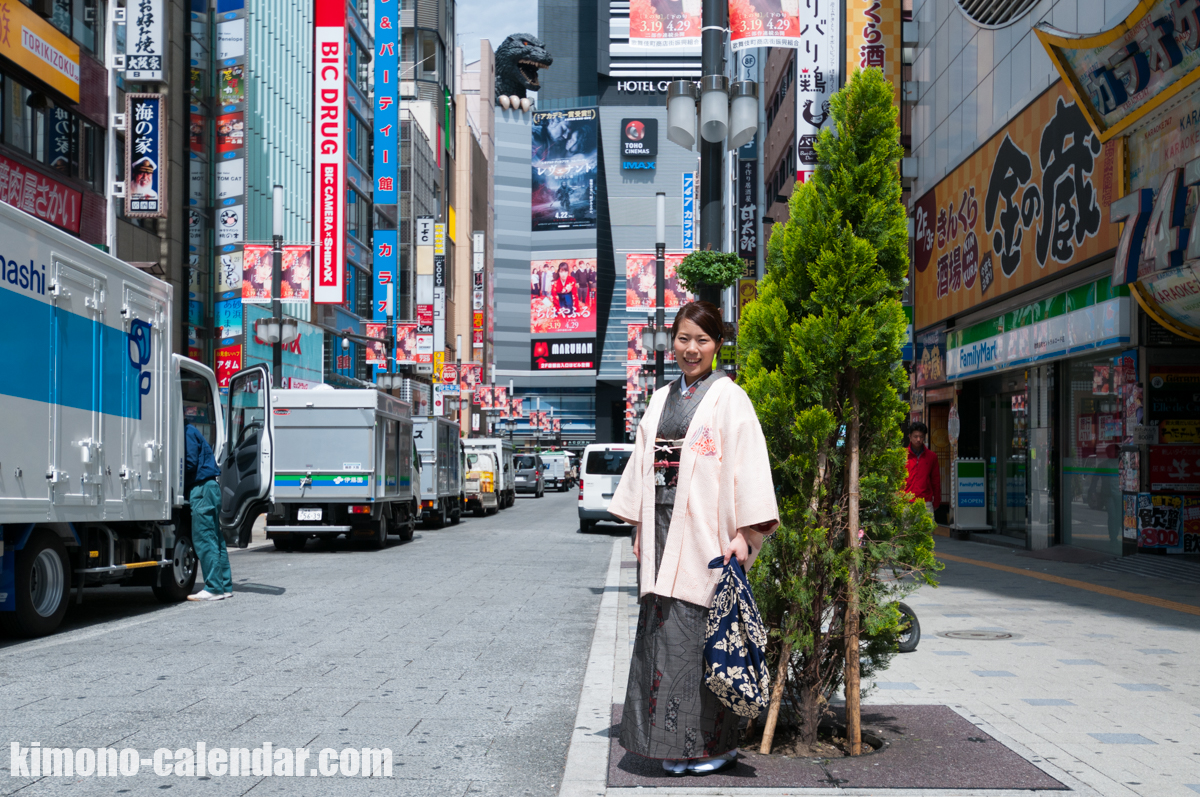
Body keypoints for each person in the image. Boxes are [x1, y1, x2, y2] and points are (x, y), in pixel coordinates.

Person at [609, 301, 779, 776]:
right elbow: (643, 464)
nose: (691, 349)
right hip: (661, 532)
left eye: (702, 340)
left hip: (708, 533)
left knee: (705, 638)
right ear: (673, 342)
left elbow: (750, 466)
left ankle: (712, 748)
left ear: (718, 344)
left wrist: (747, 534)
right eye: (683, 339)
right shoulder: (661, 399)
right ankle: (668, 747)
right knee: (663, 640)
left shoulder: (731, 398)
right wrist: (640, 527)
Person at [185, 422, 233, 601]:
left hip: (201, 489)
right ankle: (224, 586)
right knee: (215, 539)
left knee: (204, 538)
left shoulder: (186, 432)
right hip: (211, 487)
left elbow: (189, 463)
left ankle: (213, 587)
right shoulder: (193, 431)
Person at [905, 421, 941, 515]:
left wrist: (937, 500)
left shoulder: (932, 456)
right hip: (906, 501)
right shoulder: (902, 455)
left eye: (921, 437)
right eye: (915, 436)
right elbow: (896, 479)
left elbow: (935, 480)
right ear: (910, 436)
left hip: (926, 501)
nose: (918, 439)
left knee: (927, 525)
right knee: (905, 525)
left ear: (924, 437)